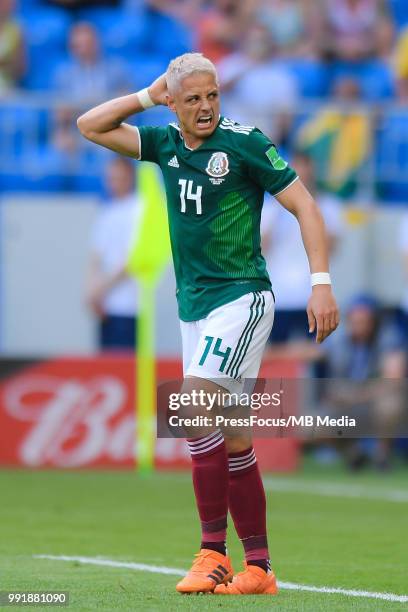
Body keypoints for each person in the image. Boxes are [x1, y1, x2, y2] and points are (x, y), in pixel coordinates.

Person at [77, 52, 339, 596]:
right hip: (193, 307)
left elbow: (306, 207)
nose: (205, 107)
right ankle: (260, 568)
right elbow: (90, 125)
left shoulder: (245, 142)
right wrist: (146, 97)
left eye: (212, 95)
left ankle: (213, 555)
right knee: (234, 434)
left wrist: (321, 282)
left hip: (241, 297)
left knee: (191, 405)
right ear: (173, 102)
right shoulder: (165, 144)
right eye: (192, 98)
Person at [261, 151, 342, 354]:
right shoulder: (271, 208)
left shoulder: (328, 206)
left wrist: (307, 213)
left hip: (312, 293)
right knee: (275, 357)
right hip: (280, 294)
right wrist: (283, 206)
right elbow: (261, 247)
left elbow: (331, 246)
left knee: (317, 353)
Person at [85, 156, 140, 350]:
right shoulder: (106, 211)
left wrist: (102, 289)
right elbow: (96, 256)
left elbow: (133, 261)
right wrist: (93, 291)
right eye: (110, 178)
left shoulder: (139, 210)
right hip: (106, 306)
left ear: (130, 177)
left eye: (118, 177)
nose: (113, 183)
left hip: (129, 305)